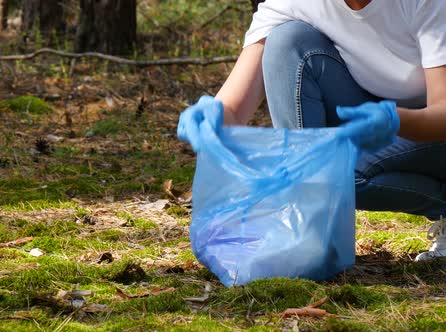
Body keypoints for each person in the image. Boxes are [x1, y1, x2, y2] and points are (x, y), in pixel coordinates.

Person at [177, 0, 446, 261]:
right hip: (382, 114)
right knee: (287, 40)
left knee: (338, 175)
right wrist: (211, 120)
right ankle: (310, 231)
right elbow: (233, 109)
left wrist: (396, 120)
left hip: (435, 127)